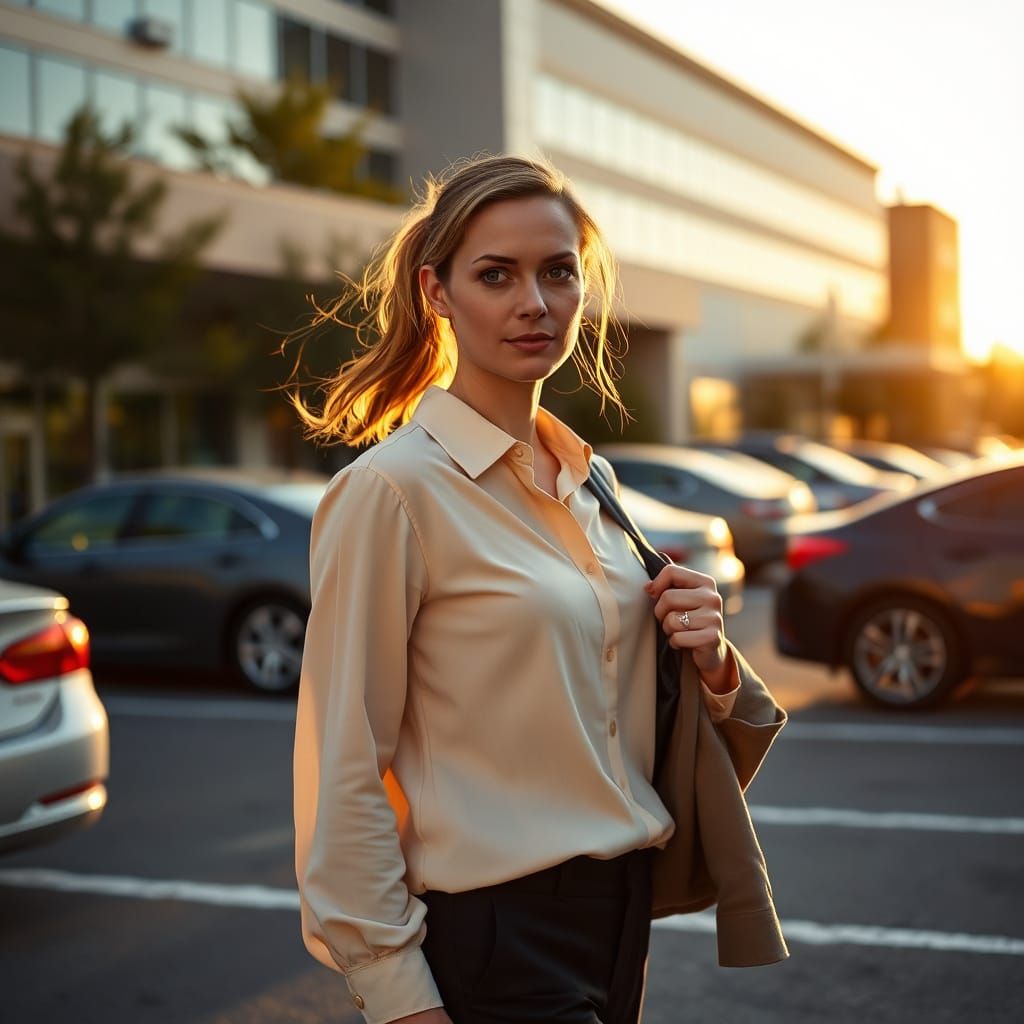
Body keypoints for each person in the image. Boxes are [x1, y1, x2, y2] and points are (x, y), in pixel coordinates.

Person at [291, 154, 768, 1024]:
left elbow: (613, 714)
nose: (535, 303)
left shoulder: (593, 481)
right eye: (495, 275)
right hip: (494, 935)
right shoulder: (392, 492)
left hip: (622, 915)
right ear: (438, 293)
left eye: (558, 272)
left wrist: (710, 656)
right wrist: (398, 995)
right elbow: (344, 764)